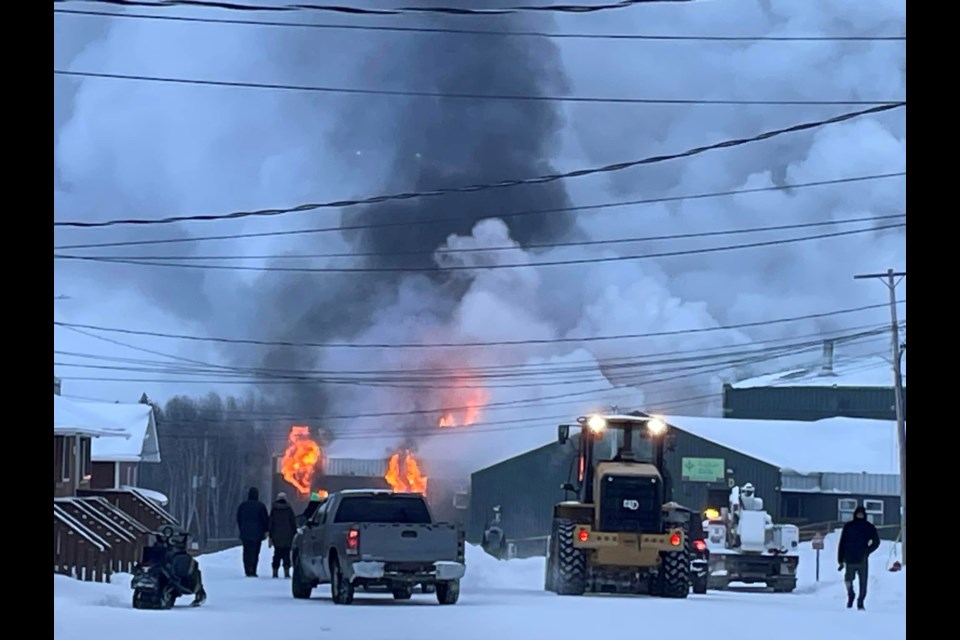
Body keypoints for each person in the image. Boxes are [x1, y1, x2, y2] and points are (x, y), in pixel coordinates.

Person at [837, 505, 881, 610]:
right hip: (849, 558)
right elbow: (842, 543)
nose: (860, 515)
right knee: (848, 580)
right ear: (855, 514)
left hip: (862, 559)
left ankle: (860, 601)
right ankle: (850, 595)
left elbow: (876, 542)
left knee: (863, 583)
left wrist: (867, 551)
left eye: (861, 514)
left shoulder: (869, 527)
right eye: (858, 514)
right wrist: (840, 559)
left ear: (865, 515)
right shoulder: (848, 526)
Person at [236, 487, 269, 577]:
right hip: (257, 534)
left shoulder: (243, 506)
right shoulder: (260, 506)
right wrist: (266, 530)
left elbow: (239, 518)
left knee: (246, 551)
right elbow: (265, 520)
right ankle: (253, 570)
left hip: (245, 533)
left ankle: (247, 569)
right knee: (255, 552)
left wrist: (242, 528)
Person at [268, 492, 298, 579]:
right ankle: (286, 571)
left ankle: (275, 571)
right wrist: (294, 533)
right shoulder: (289, 509)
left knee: (277, 553)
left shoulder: (274, 509)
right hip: (287, 535)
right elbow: (292, 522)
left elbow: (271, 522)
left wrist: (270, 534)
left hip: (276, 535)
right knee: (286, 554)